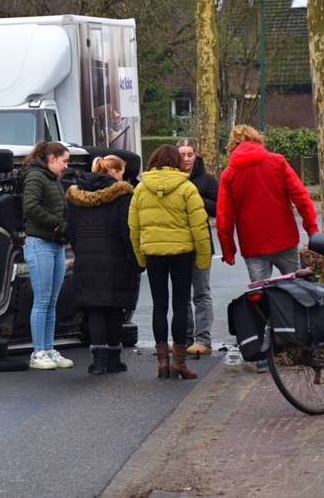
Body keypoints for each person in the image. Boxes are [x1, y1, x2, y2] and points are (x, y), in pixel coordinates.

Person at [216, 125, 318, 371]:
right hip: (284, 238)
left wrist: (228, 250)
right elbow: (301, 196)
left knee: (259, 299)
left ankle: (264, 355)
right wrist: (312, 229)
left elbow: (224, 217)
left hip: (253, 245)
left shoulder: (229, 174)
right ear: (256, 139)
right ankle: (303, 345)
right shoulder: (277, 161)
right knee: (297, 292)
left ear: (233, 145)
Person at [129, 145, 211, 380]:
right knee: (180, 305)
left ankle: (162, 362)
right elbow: (199, 227)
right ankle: (179, 362)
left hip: (154, 252)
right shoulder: (187, 188)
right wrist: (203, 259)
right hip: (181, 254)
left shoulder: (142, 189)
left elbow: (134, 228)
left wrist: (140, 256)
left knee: (159, 306)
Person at [66, 155, 139, 375]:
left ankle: (98, 362)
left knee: (95, 307)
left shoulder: (76, 195)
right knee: (114, 306)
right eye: (122, 172)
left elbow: (72, 230)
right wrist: (134, 260)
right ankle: (114, 359)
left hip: (86, 255)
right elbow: (126, 230)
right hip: (114, 255)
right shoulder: (122, 194)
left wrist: (82, 251)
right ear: (114, 172)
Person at [21, 140, 74, 371]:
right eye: (64, 161)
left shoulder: (50, 178)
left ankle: (49, 349)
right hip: (40, 243)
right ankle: (38, 352)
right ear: (52, 159)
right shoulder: (36, 176)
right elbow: (30, 207)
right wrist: (57, 225)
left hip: (55, 244)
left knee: (51, 301)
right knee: (42, 301)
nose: (66, 167)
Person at [176, 137, 218, 358]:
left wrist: (196, 199)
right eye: (182, 155)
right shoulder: (171, 178)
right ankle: (184, 339)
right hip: (177, 243)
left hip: (201, 244)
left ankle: (203, 339)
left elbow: (220, 208)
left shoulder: (207, 181)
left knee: (201, 293)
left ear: (195, 155)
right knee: (181, 294)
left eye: (189, 154)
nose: (186, 159)